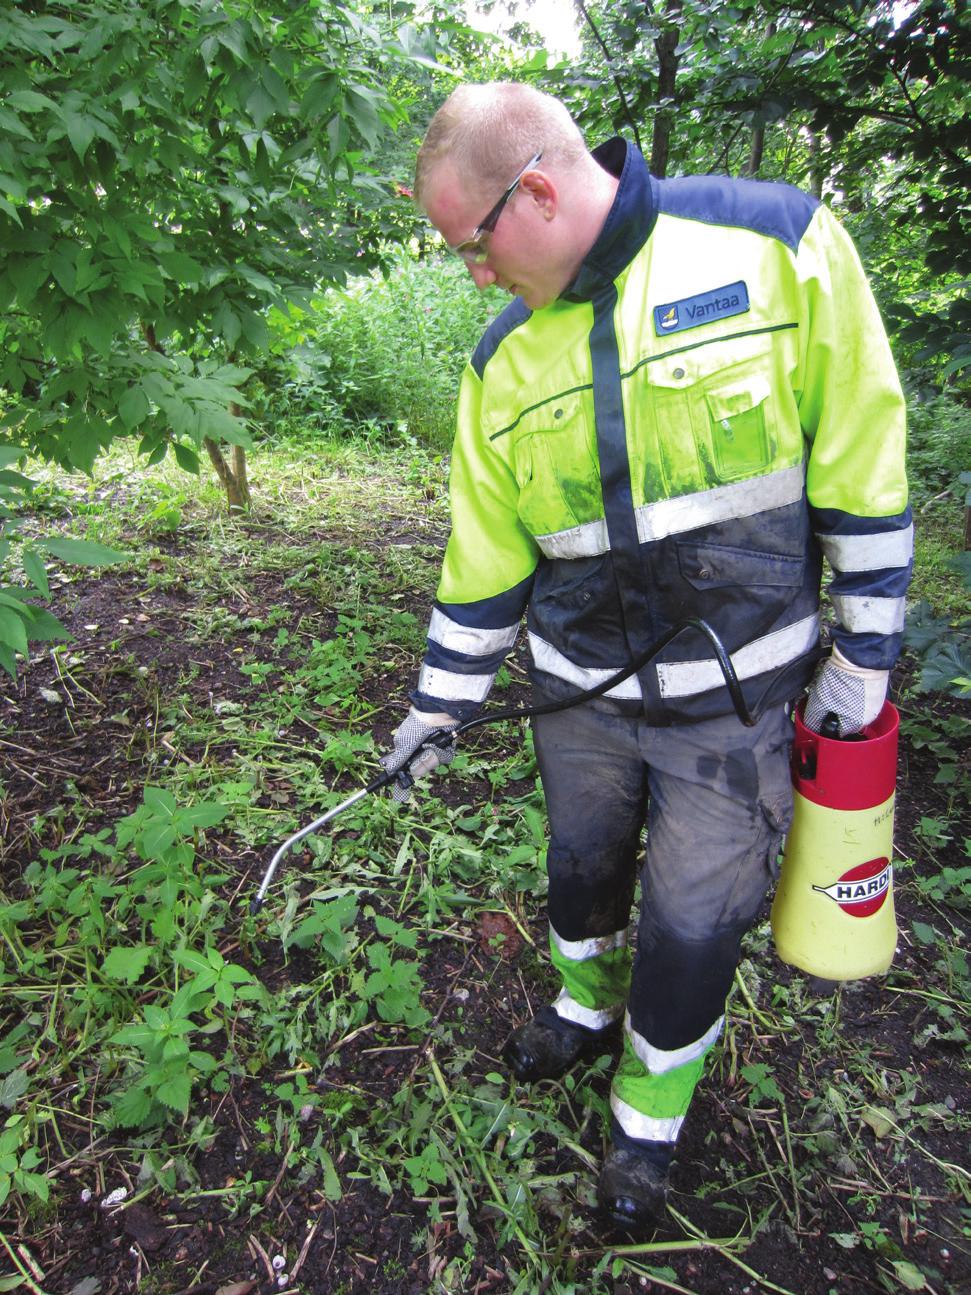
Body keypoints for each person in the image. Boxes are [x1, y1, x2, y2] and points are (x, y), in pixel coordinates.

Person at [382, 82, 912, 1230]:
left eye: (470, 246)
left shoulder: (773, 242)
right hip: (576, 698)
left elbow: (863, 459)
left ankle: (645, 1128)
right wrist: (436, 705)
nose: (470, 274)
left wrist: (862, 662)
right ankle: (581, 1012)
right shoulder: (500, 359)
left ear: (533, 190)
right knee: (580, 874)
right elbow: (484, 552)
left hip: (736, 710)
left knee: (692, 921)